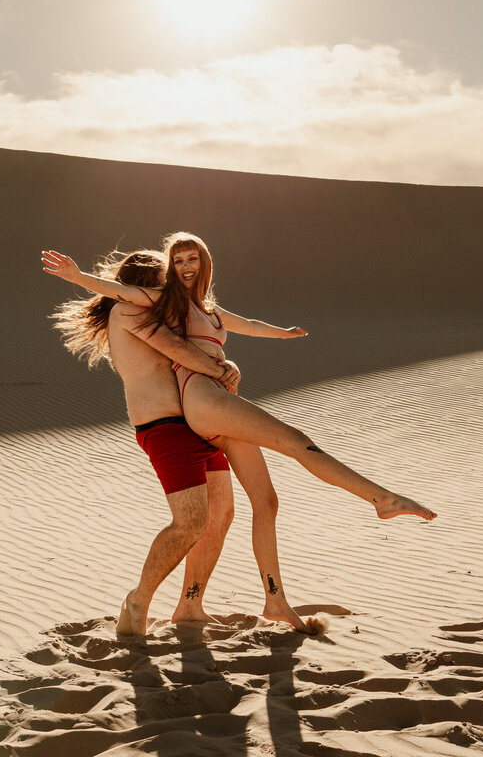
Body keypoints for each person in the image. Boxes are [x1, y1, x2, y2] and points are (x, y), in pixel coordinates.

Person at [45, 233, 435, 558]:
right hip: (189, 407)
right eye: (169, 268)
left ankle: (208, 605)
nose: (176, 275)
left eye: (186, 263)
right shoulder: (148, 306)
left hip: (202, 407)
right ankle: (379, 499)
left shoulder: (201, 306)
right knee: (288, 451)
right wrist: (79, 277)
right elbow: (135, 306)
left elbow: (246, 323)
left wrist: (282, 333)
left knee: (243, 507)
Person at [49, 250, 325, 635]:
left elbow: (211, 333)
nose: (170, 286)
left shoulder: (159, 312)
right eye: (163, 279)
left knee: (220, 515)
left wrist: (230, 363)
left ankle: (190, 605)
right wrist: (223, 370)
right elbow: (178, 351)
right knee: (190, 522)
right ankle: (139, 599)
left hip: (197, 423)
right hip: (163, 427)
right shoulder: (128, 312)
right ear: (144, 284)